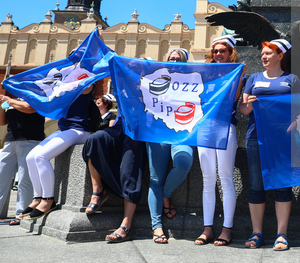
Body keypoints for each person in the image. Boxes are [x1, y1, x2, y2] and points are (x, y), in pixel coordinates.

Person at [239, 39, 300, 251]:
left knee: (283, 184)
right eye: (262, 54)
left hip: (283, 139)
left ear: (280, 55)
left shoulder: (291, 79)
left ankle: (281, 234)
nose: (263, 57)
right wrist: (248, 103)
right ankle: (257, 233)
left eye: (268, 53)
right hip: (257, 137)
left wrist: (296, 122)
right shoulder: (254, 78)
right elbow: (244, 110)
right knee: (256, 185)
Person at [194, 35, 246, 246]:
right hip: (204, 128)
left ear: (230, 52)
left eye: (222, 50)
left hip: (226, 127)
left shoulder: (238, 73)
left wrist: (239, 74)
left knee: (225, 178)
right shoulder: (206, 74)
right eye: (215, 51)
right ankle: (207, 229)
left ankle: (227, 229)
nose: (217, 54)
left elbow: (234, 100)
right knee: (208, 179)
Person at [22, 85, 95, 220]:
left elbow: (87, 87)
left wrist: (65, 82)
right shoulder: (62, 80)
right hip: (64, 129)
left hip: (80, 130)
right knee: (30, 157)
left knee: (41, 156)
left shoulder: (86, 81)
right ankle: (37, 198)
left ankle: (48, 200)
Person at [146, 48, 195, 244]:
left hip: (182, 134)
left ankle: (166, 195)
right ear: (165, 61)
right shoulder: (155, 79)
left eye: (178, 58)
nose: (174, 60)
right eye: (171, 58)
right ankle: (156, 226)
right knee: (155, 178)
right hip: (157, 133)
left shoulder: (192, 81)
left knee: (184, 163)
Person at [82, 107, 146, 243]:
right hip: (120, 125)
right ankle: (98, 191)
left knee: (130, 166)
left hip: (141, 129)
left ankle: (126, 225)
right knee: (94, 140)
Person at [0, 94, 45, 226]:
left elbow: (29, 108)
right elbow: (2, 122)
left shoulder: (36, 98)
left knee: (25, 181)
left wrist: (8, 100)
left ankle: (21, 214)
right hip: (10, 142)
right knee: (1, 177)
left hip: (30, 141)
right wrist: (2, 105)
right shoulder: (16, 101)